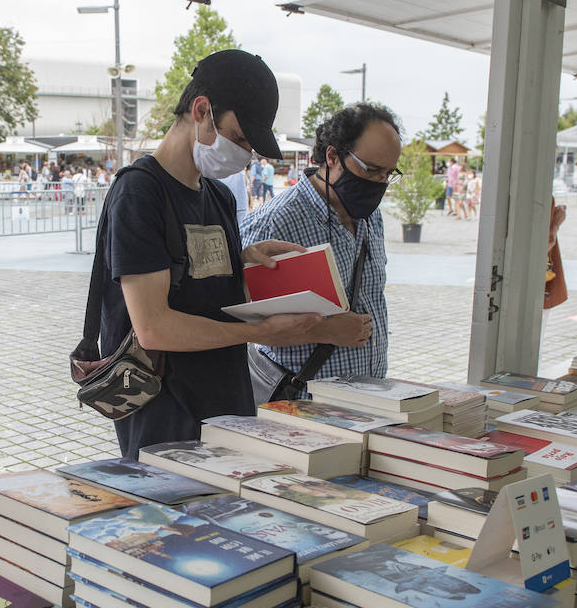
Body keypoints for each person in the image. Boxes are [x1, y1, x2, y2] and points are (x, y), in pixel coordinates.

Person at [98, 49, 370, 459]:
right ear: (202, 110)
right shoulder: (139, 193)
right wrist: (261, 333)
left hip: (228, 404)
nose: (244, 154)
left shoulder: (218, 196)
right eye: (240, 138)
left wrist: (246, 263)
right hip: (165, 413)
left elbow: (208, 291)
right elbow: (154, 327)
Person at [239, 104, 394, 390]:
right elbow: (241, 326)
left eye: (387, 174)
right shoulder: (277, 221)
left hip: (371, 394)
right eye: (372, 170)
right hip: (301, 402)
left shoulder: (370, 215)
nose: (379, 183)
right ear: (333, 156)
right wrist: (323, 330)